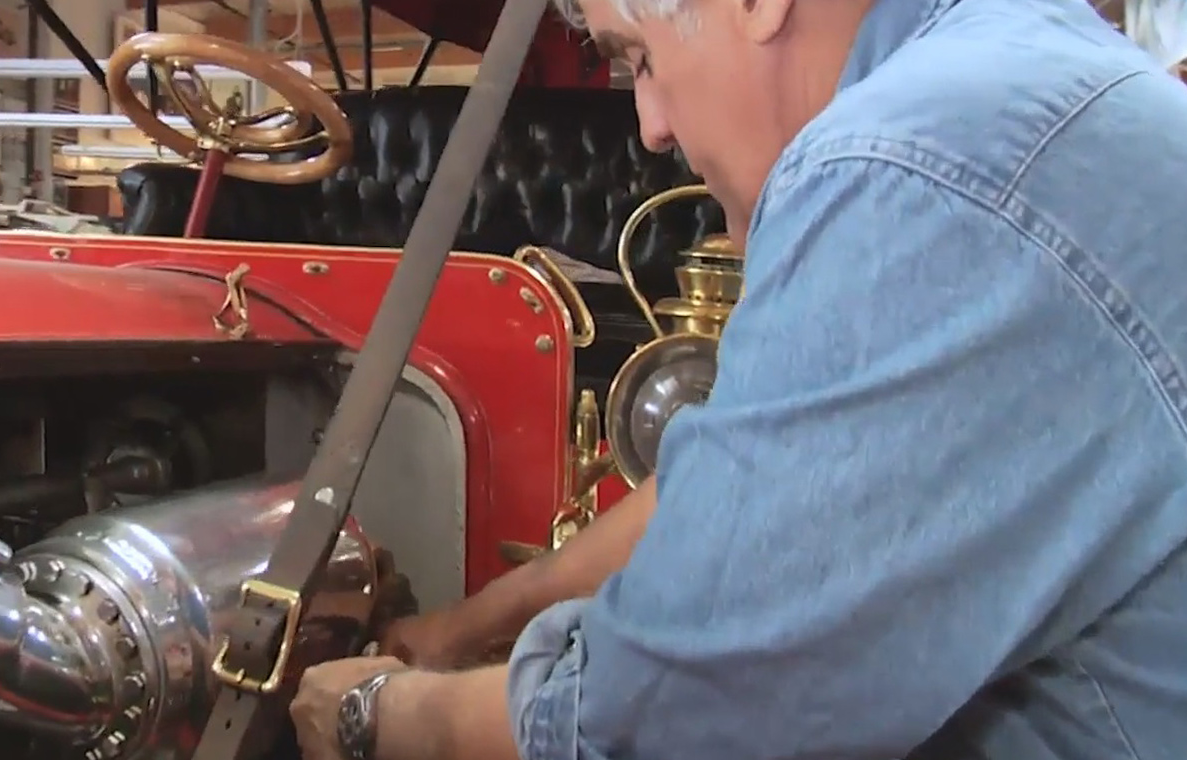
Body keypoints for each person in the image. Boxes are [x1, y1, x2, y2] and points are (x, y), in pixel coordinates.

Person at [289, 0, 1187, 758]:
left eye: (639, 60)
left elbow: (670, 713)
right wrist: (473, 622)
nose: (651, 126)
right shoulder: (1015, 66)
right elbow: (744, 485)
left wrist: (377, 714)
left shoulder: (907, 163)